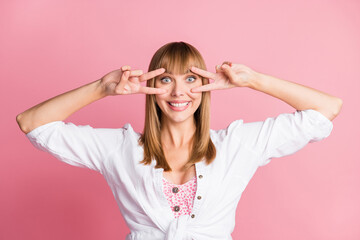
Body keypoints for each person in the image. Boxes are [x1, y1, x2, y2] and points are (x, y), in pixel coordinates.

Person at [16, 41, 342, 240]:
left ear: (204, 86)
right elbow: (32, 123)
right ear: (151, 88)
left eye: (190, 79)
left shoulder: (236, 145)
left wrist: (254, 80)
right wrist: (101, 88)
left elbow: (327, 109)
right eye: (166, 79)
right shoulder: (120, 149)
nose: (178, 92)